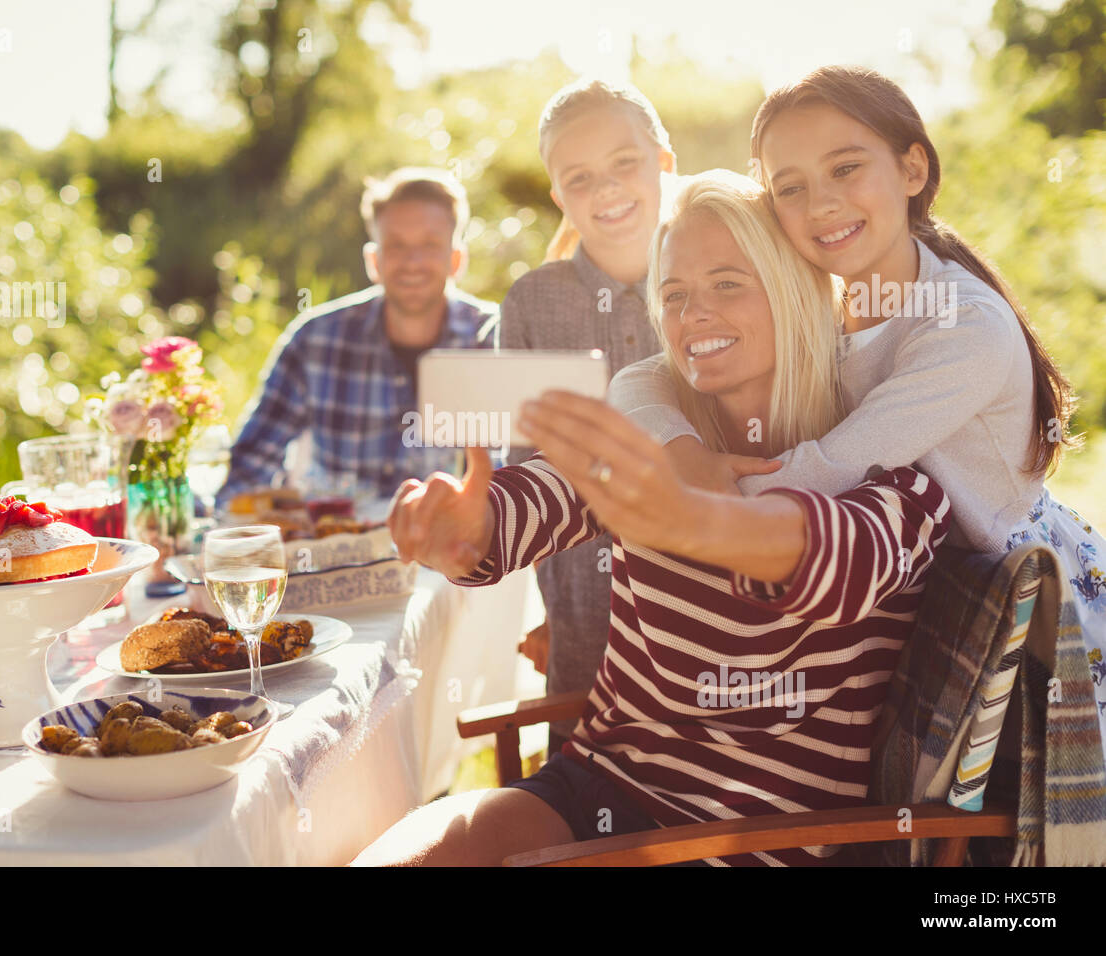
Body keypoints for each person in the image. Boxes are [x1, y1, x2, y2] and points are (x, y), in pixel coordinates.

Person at [353, 170, 951, 867]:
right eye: (674, 294)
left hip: (748, 843)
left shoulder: (897, 479)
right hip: (596, 786)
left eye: (728, 283)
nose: (694, 312)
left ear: (795, 291)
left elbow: (826, 559)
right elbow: (533, 505)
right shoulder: (652, 444)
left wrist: (690, 518)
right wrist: (464, 532)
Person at [607, 65, 1106, 748]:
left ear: (912, 168)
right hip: (899, 592)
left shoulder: (962, 328)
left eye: (846, 169)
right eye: (791, 187)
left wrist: (690, 506)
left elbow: (835, 465)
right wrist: (682, 452)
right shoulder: (821, 300)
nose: (821, 205)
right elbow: (646, 378)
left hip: (1012, 604)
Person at [499, 79, 726, 754]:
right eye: (580, 177)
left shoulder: (726, 276)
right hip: (588, 625)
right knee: (587, 804)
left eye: (624, 164)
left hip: (719, 603)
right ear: (559, 196)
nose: (606, 190)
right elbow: (527, 472)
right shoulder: (532, 304)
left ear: (664, 161)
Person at [216, 167, 498, 506]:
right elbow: (253, 461)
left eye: (430, 244)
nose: (412, 262)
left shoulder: (496, 339)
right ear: (373, 260)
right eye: (395, 246)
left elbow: (518, 475)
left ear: (456, 260)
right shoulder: (315, 338)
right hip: (333, 548)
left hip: (453, 551)